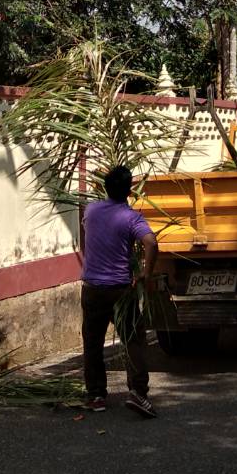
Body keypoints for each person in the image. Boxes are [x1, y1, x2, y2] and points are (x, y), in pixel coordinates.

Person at [81, 165, 158, 417]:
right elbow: (150, 242)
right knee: (133, 341)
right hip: (120, 290)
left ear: (105, 187)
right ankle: (137, 392)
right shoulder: (131, 217)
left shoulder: (91, 211)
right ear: (130, 190)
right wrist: (146, 272)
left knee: (93, 343)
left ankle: (96, 396)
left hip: (92, 288)